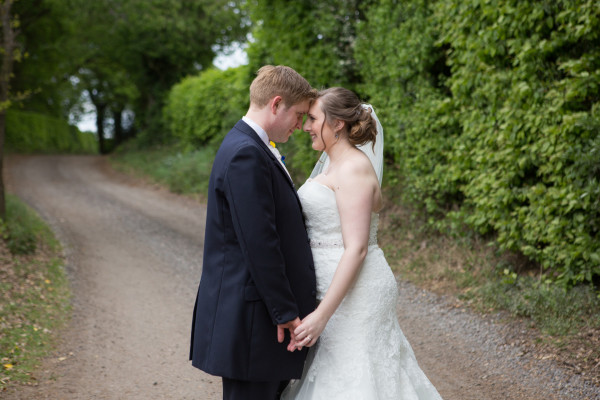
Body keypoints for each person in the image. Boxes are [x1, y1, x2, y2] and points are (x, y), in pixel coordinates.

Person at [281, 87, 443, 399]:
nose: (305, 126)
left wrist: (321, 316)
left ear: (337, 123)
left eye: (313, 119)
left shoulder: (353, 168)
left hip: (355, 293)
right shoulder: (331, 163)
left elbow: (356, 248)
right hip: (335, 289)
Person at [189, 65, 317, 400]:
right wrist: (285, 311)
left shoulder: (250, 146)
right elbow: (260, 242)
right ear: (276, 105)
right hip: (253, 320)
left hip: (257, 318)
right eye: (300, 115)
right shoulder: (246, 153)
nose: (302, 125)